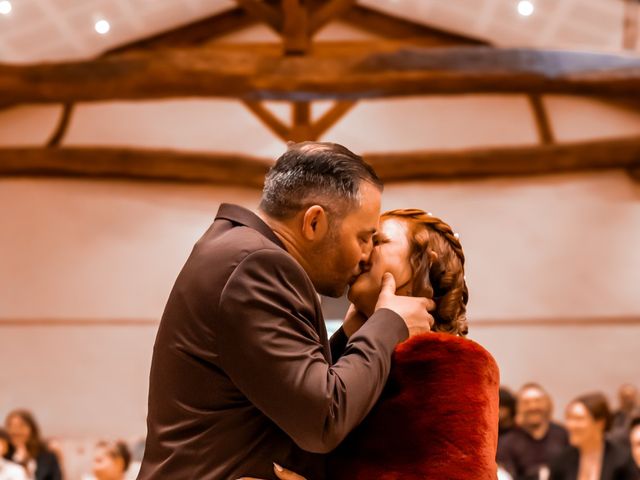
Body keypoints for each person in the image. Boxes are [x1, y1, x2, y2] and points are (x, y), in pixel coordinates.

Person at [137, 142, 434, 480]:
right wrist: (388, 324)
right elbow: (322, 419)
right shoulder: (259, 265)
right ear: (314, 222)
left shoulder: (238, 251)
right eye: (364, 237)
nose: (366, 254)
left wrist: (351, 338)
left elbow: (279, 387)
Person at [549, 392, 639, 480]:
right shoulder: (561, 461)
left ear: (600, 423)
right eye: (568, 418)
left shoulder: (622, 460)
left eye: (578, 419)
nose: (570, 425)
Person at [498, 383, 569, 480]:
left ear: (548, 404)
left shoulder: (564, 434)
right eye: (526, 403)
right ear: (518, 407)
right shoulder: (506, 442)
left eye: (538, 401)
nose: (533, 407)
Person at [4, 410, 62, 480]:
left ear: (32, 429)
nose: (16, 431)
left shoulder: (47, 456)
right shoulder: (4, 456)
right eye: (11, 426)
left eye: (21, 426)